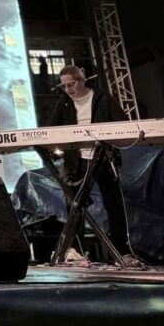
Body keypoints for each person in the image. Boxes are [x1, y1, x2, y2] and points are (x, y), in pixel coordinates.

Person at [45, 64, 131, 257]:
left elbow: (123, 124)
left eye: (71, 84)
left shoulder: (102, 99)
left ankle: (122, 250)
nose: (68, 89)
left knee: (113, 204)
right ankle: (75, 250)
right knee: (75, 206)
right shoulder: (65, 103)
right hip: (77, 161)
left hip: (103, 158)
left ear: (82, 80)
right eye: (64, 86)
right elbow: (49, 129)